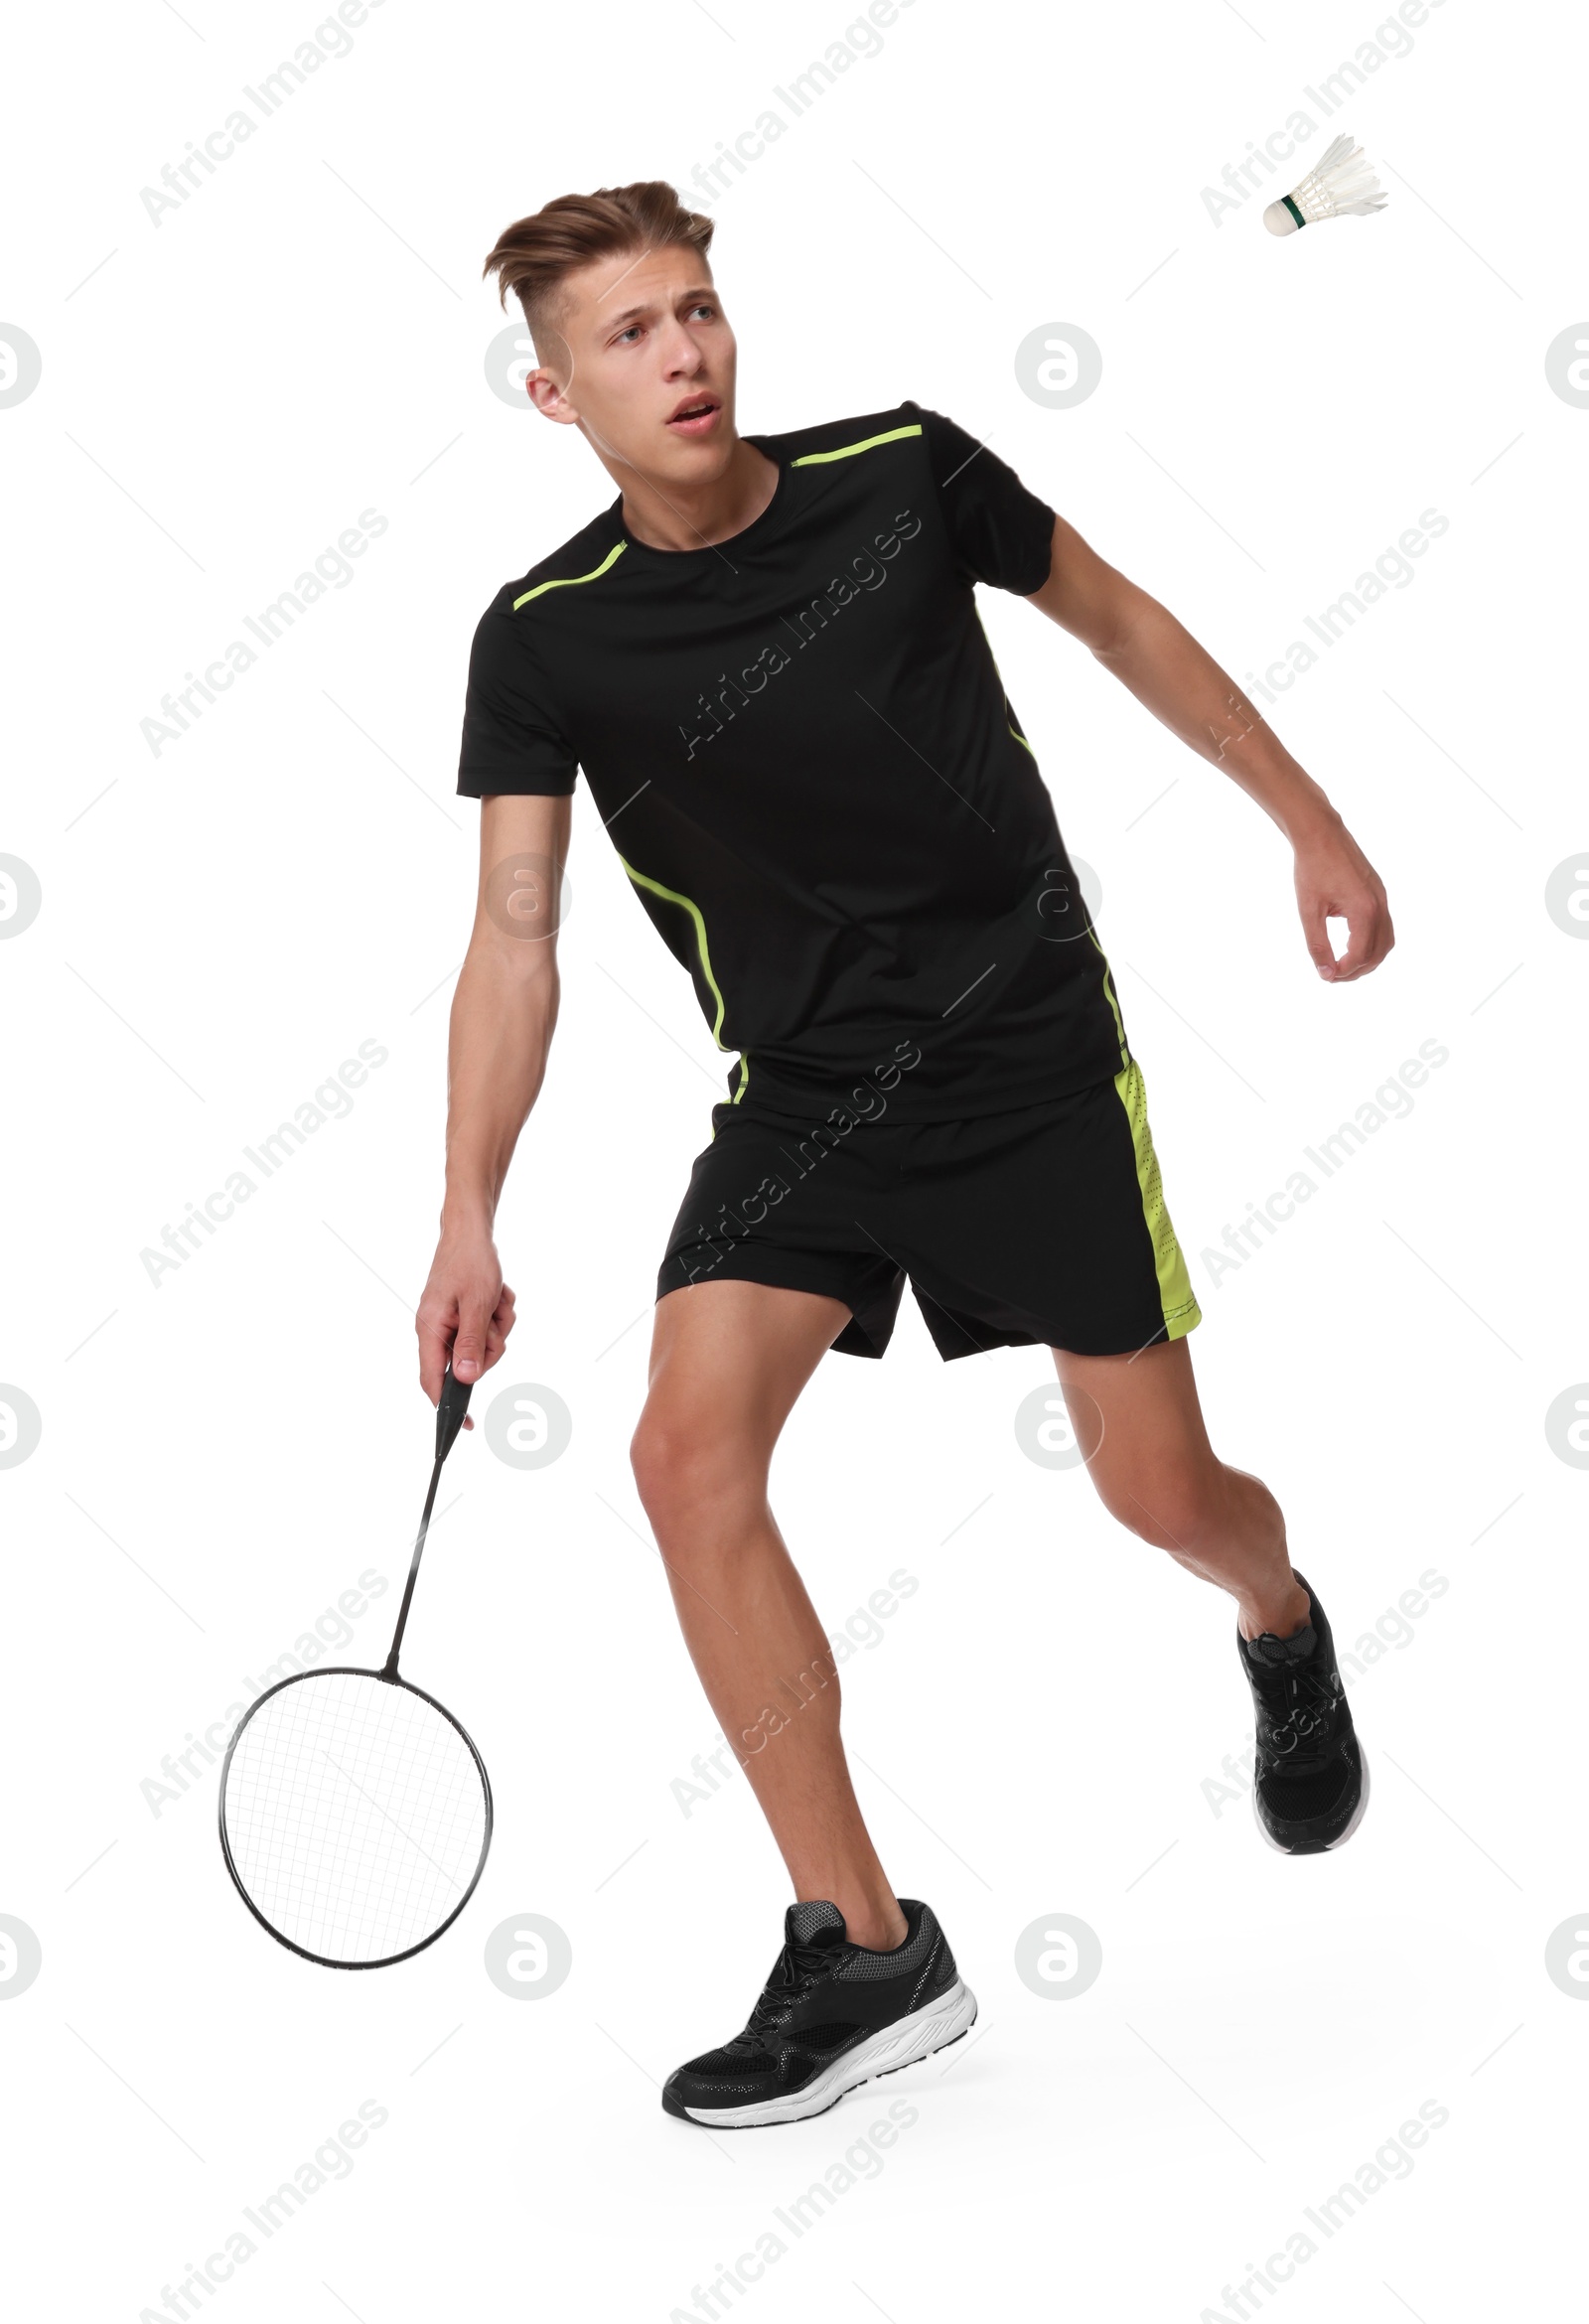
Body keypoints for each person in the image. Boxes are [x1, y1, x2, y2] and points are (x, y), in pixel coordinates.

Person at [418, 179, 1393, 2131]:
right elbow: (512, 935)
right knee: (681, 1455)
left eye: (693, 309)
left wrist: (1308, 820)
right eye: (627, 335)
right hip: (800, 1092)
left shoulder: (895, 472)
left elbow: (1115, 616)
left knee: (1155, 1495)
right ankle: (863, 1948)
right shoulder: (543, 638)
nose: (682, 352)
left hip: (1027, 1060)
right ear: (552, 393)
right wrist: (464, 1208)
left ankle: (1277, 1621)